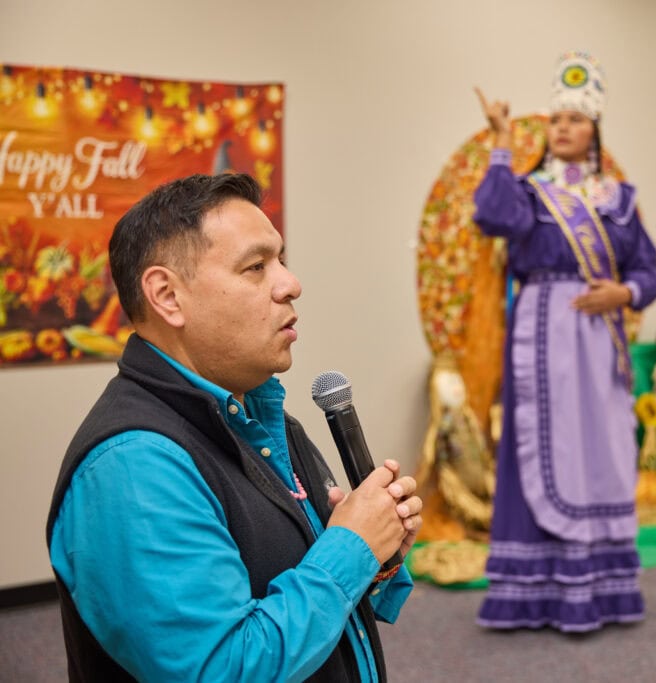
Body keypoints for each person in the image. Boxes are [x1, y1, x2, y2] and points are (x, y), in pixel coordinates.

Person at [45, 173, 422, 681]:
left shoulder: (262, 415)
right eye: (255, 267)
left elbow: (305, 589)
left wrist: (376, 552)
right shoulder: (133, 466)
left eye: (282, 260)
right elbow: (223, 667)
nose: (291, 284)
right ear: (168, 296)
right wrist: (349, 547)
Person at [472, 51, 656, 632]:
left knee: (599, 446)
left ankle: (601, 585)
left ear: (595, 129)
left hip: (598, 335)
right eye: (556, 119)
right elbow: (492, 218)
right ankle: (534, 591)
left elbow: (649, 272)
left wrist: (624, 295)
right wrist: (502, 143)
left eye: (576, 119)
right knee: (543, 442)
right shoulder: (528, 191)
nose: (564, 128)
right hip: (542, 330)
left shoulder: (621, 200)